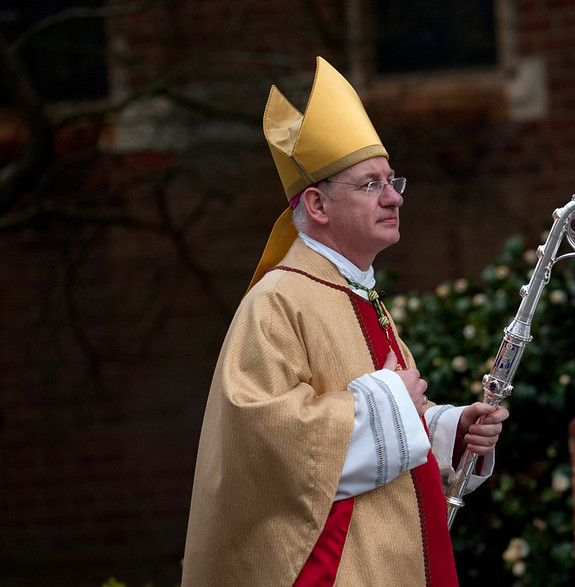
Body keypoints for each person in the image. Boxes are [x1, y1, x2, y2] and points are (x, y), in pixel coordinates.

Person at [182, 56, 509, 586]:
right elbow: (264, 443)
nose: (394, 197)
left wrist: (448, 430)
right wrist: (393, 406)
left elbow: (390, 425)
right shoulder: (277, 301)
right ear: (317, 204)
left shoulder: (357, 290)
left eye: (392, 180)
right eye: (371, 185)